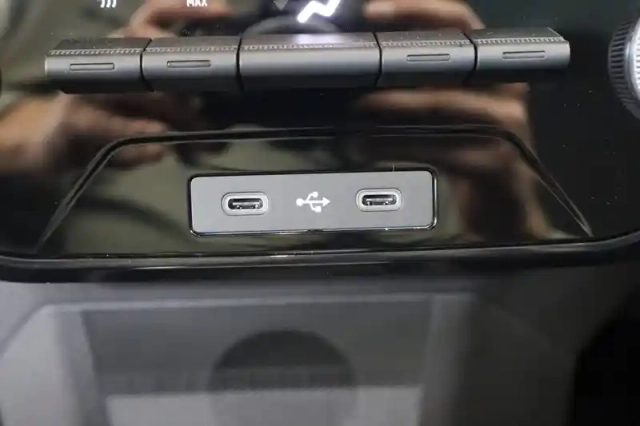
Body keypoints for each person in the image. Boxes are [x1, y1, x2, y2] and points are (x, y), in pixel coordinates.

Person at [0, 0, 561, 253]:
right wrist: (42, 135)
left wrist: (510, 219)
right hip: (111, 316)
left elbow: (547, 324)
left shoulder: (424, 19)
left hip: (426, 316)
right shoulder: (46, 11)